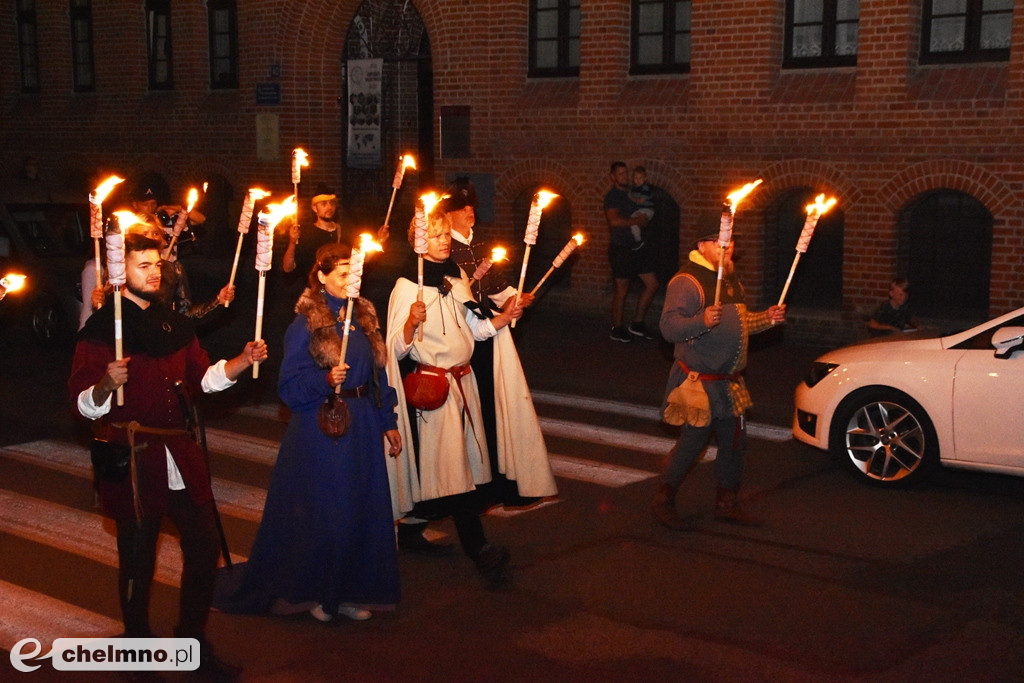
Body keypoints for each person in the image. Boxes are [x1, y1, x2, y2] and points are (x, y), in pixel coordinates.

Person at [68, 233, 268, 680]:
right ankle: (137, 647)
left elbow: (200, 380)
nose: (154, 271)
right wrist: (103, 385)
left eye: (156, 263)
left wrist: (238, 361)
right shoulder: (102, 331)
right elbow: (80, 404)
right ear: (122, 273)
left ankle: (191, 643)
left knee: (203, 548)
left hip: (179, 452)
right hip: (134, 458)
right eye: (143, 265)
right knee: (137, 559)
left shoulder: (172, 325)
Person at [218, 243, 401, 623]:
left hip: (363, 425)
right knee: (330, 514)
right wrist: (324, 379)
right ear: (321, 276)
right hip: (325, 430)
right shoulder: (306, 324)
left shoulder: (364, 316)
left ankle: (349, 591)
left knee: (359, 511)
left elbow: (378, 377)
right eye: (342, 274)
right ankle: (319, 593)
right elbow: (288, 387)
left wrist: (388, 421)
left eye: (356, 273)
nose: (352, 280)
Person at [385, 210, 528, 590]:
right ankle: (479, 549)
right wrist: (412, 323)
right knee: (454, 474)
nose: (444, 241)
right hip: (434, 391)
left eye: (445, 234)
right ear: (418, 242)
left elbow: (475, 329)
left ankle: (413, 530)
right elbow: (396, 351)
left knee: (450, 468)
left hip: (464, 386)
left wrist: (501, 319)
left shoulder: (455, 277)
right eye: (434, 236)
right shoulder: (405, 286)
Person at [652, 218, 786, 530]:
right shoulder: (687, 281)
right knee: (692, 443)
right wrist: (700, 321)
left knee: (735, 442)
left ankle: (726, 503)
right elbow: (668, 328)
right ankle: (663, 498)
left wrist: (766, 318)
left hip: (729, 384)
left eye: (730, 242)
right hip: (701, 382)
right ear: (702, 246)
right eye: (719, 242)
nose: (727, 248)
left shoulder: (730, 280)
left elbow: (740, 325)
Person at [436, 179, 555, 514]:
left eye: (472, 206)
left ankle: (502, 478)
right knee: (476, 406)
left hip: (492, 335)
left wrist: (514, 299)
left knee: (498, 404)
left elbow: (498, 287)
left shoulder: (482, 244)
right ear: (448, 215)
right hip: (469, 336)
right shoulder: (449, 251)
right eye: (462, 208)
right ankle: (474, 483)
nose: (469, 212)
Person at [603, 161, 659, 342]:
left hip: (637, 247)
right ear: (613, 177)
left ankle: (637, 323)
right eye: (620, 174)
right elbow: (614, 221)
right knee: (622, 288)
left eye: (625, 173)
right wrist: (635, 222)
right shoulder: (612, 197)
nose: (624, 177)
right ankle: (617, 328)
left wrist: (643, 218)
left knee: (652, 284)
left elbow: (643, 210)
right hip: (621, 249)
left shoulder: (630, 194)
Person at [628, 165, 656, 245]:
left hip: (647, 210)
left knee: (634, 220)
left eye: (640, 178)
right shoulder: (633, 189)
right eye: (636, 178)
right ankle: (639, 239)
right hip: (639, 210)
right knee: (634, 221)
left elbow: (640, 201)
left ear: (645, 178)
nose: (638, 180)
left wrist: (631, 198)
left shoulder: (645, 188)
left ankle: (638, 240)